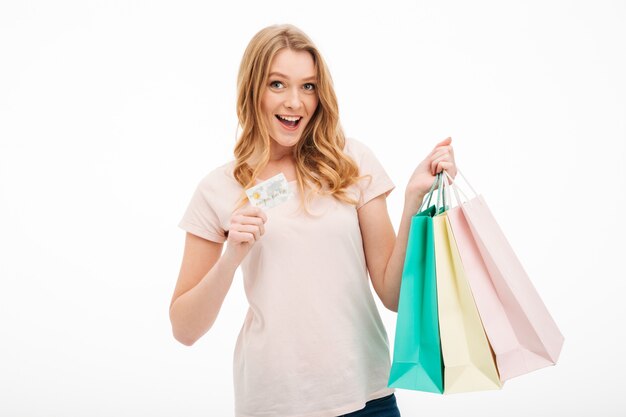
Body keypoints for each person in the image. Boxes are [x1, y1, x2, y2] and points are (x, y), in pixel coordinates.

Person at [169, 23, 457, 417]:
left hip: (368, 397)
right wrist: (231, 256)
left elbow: (392, 296)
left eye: (308, 86)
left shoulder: (351, 162)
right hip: (273, 403)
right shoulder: (218, 188)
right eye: (277, 84)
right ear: (252, 90)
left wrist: (412, 200)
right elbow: (184, 330)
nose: (295, 102)